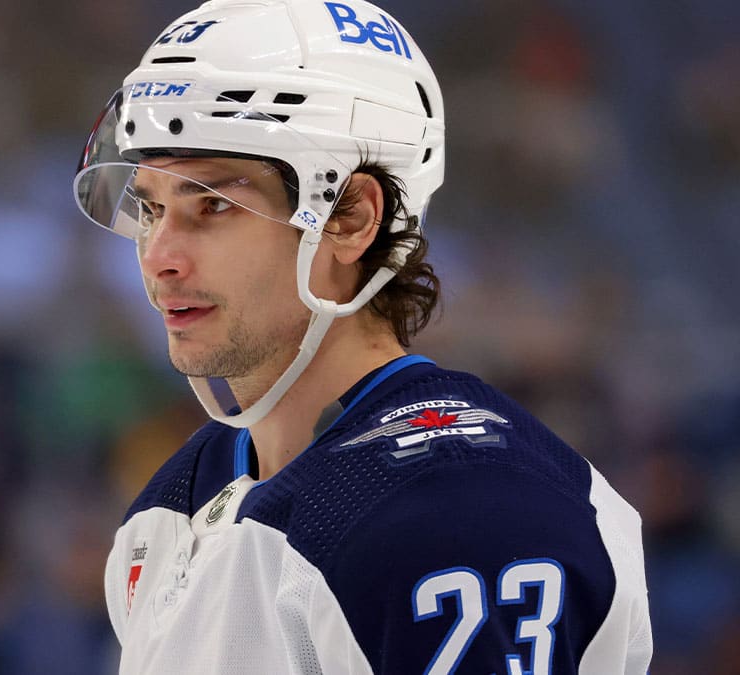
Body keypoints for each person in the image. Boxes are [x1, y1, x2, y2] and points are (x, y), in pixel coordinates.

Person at [72, 0, 652, 673]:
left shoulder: (465, 510)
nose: (158, 255)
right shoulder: (176, 500)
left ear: (350, 216)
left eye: (214, 205)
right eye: (149, 207)